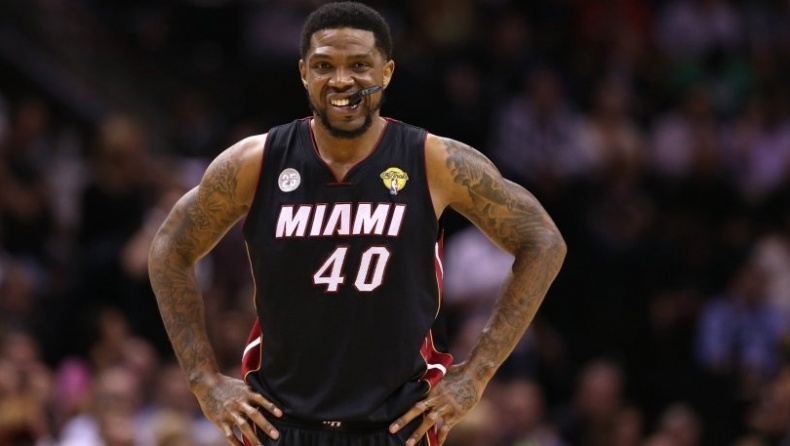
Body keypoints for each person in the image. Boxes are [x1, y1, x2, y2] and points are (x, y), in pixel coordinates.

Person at [147, 2, 566, 446]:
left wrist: (476, 375)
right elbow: (170, 248)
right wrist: (204, 381)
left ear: (387, 72)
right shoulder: (257, 161)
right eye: (324, 65)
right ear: (304, 73)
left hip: (397, 427)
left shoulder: (434, 160)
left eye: (359, 65)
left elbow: (542, 240)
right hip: (277, 424)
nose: (342, 80)